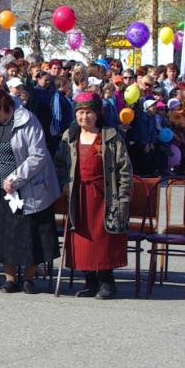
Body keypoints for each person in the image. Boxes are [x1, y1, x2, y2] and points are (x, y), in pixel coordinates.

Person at [54, 92, 133, 299]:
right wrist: (64, 184)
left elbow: (124, 169)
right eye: (80, 112)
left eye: (88, 112)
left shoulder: (110, 137)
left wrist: (123, 197)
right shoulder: (69, 137)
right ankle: (89, 281)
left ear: (97, 113)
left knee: (103, 239)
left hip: (104, 196)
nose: (84, 117)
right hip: (79, 195)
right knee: (83, 239)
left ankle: (107, 282)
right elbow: (60, 164)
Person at [0, 88, 60, 294]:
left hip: (29, 187)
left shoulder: (28, 120)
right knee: (5, 234)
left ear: (2, 108)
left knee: (31, 233)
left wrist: (16, 178)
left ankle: (29, 278)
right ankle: (9, 278)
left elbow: (38, 155)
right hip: (2, 190)